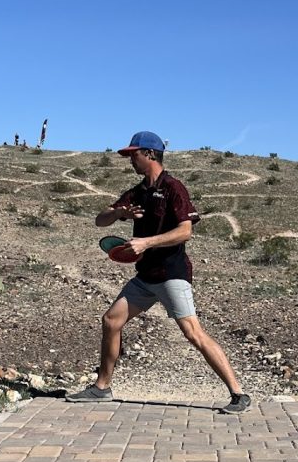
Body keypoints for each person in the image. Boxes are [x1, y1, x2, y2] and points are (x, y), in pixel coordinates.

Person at [65, 130, 251, 413]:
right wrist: (119, 213)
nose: (130, 160)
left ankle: (238, 394)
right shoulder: (137, 192)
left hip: (171, 274)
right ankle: (102, 388)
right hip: (146, 276)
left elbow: (185, 231)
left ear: (150, 154)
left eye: (134, 155)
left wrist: (146, 242)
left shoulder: (174, 188)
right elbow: (100, 221)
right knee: (111, 321)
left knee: (193, 333)